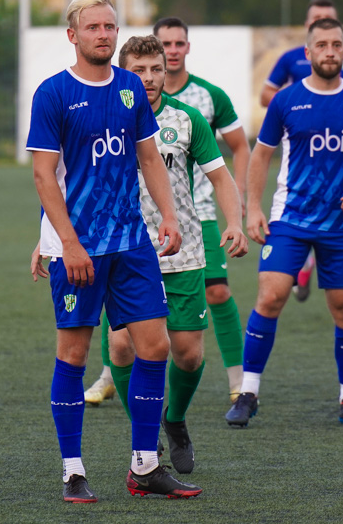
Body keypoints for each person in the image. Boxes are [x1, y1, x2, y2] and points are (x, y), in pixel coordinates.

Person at [26, 0, 201, 502]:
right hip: (77, 249)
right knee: (74, 354)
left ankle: (145, 466)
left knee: (155, 346)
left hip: (132, 243)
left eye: (110, 26)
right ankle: (73, 470)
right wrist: (69, 243)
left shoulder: (130, 88)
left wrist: (168, 215)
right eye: (93, 27)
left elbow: (149, 159)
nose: (104, 34)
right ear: (73, 36)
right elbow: (43, 176)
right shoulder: (53, 93)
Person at [226, 18, 343, 428]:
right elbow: (261, 154)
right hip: (290, 218)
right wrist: (253, 207)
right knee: (270, 296)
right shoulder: (285, 102)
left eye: (337, 45)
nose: (331, 52)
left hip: (341, 223)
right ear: (308, 54)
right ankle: (247, 393)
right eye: (322, 45)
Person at [98, 35, 247, 475]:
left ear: (167, 72)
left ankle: (174, 420)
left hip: (181, 250)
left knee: (187, 355)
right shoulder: (102, 118)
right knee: (122, 347)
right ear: (124, 71)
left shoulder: (186, 120)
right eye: (139, 70)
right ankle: (144, 433)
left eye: (156, 69)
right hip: (122, 249)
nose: (148, 78)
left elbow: (220, 177)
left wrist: (234, 222)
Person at [153, 16, 252, 405]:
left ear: (187, 48)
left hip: (200, 214)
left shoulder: (208, 97)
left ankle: (239, 379)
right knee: (127, 302)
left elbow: (240, 147)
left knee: (219, 291)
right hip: (140, 222)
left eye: (180, 44)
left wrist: (237, 197)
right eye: (167, 44)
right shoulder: (128, 98)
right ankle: (110, 373)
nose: (173, 51)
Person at [259, 0, 343, 302]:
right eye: (316, 18)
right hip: (301, 144)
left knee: (333, 206)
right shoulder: (290, 58)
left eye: (328, 18)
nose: (321, 21)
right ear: (307, 26)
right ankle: (303, 260)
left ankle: (311, 260)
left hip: (338, 153)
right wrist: (295, 105)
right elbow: (266, 93)